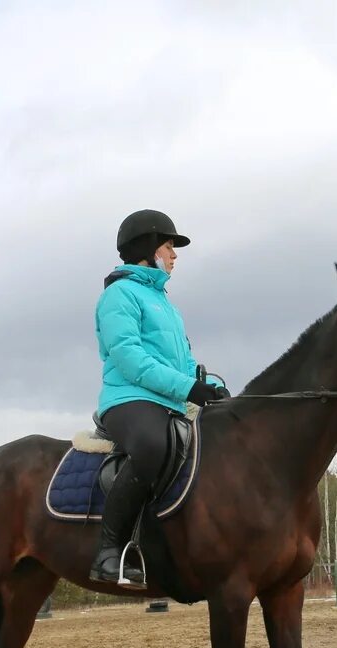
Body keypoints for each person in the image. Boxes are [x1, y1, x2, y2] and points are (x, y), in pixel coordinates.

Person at [92, 209, 230, 583]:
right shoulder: (118, 295)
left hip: (166, 399)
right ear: (147, 248)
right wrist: (187, 388)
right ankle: (109, 551)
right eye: (169, 245)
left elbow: (182, 360)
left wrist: (203, 383)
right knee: (153, 445)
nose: (174, 254)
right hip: (127, 398)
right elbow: (129, 358)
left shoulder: (165, 303)